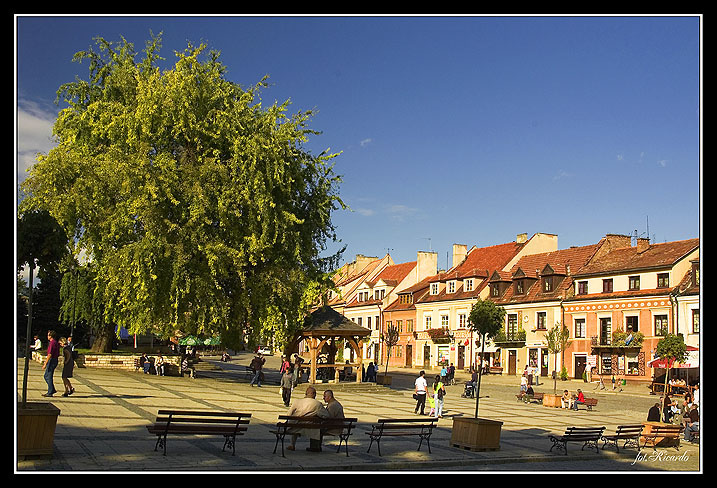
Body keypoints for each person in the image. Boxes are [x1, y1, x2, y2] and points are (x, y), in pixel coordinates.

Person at [286, 386, 329, 452]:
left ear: (306, 393)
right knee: (316, 427)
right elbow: (326, 416)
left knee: (294, 422)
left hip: (296, 426)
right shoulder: (317, 404)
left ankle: (292, 445)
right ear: (314, 394)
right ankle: (315, 446)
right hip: (310, 426)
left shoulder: (297, 401)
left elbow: (289, 414)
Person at [41, 330, 60, 397]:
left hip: (52, 360)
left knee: (48, 376)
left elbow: (50, 354)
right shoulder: (55, 342)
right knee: (47, 375)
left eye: (48, 335)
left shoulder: (52, 343)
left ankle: (50, 391)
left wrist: (45, 364)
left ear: (51, 336)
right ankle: (52, 389)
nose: (47, 336)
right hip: (54, 360)